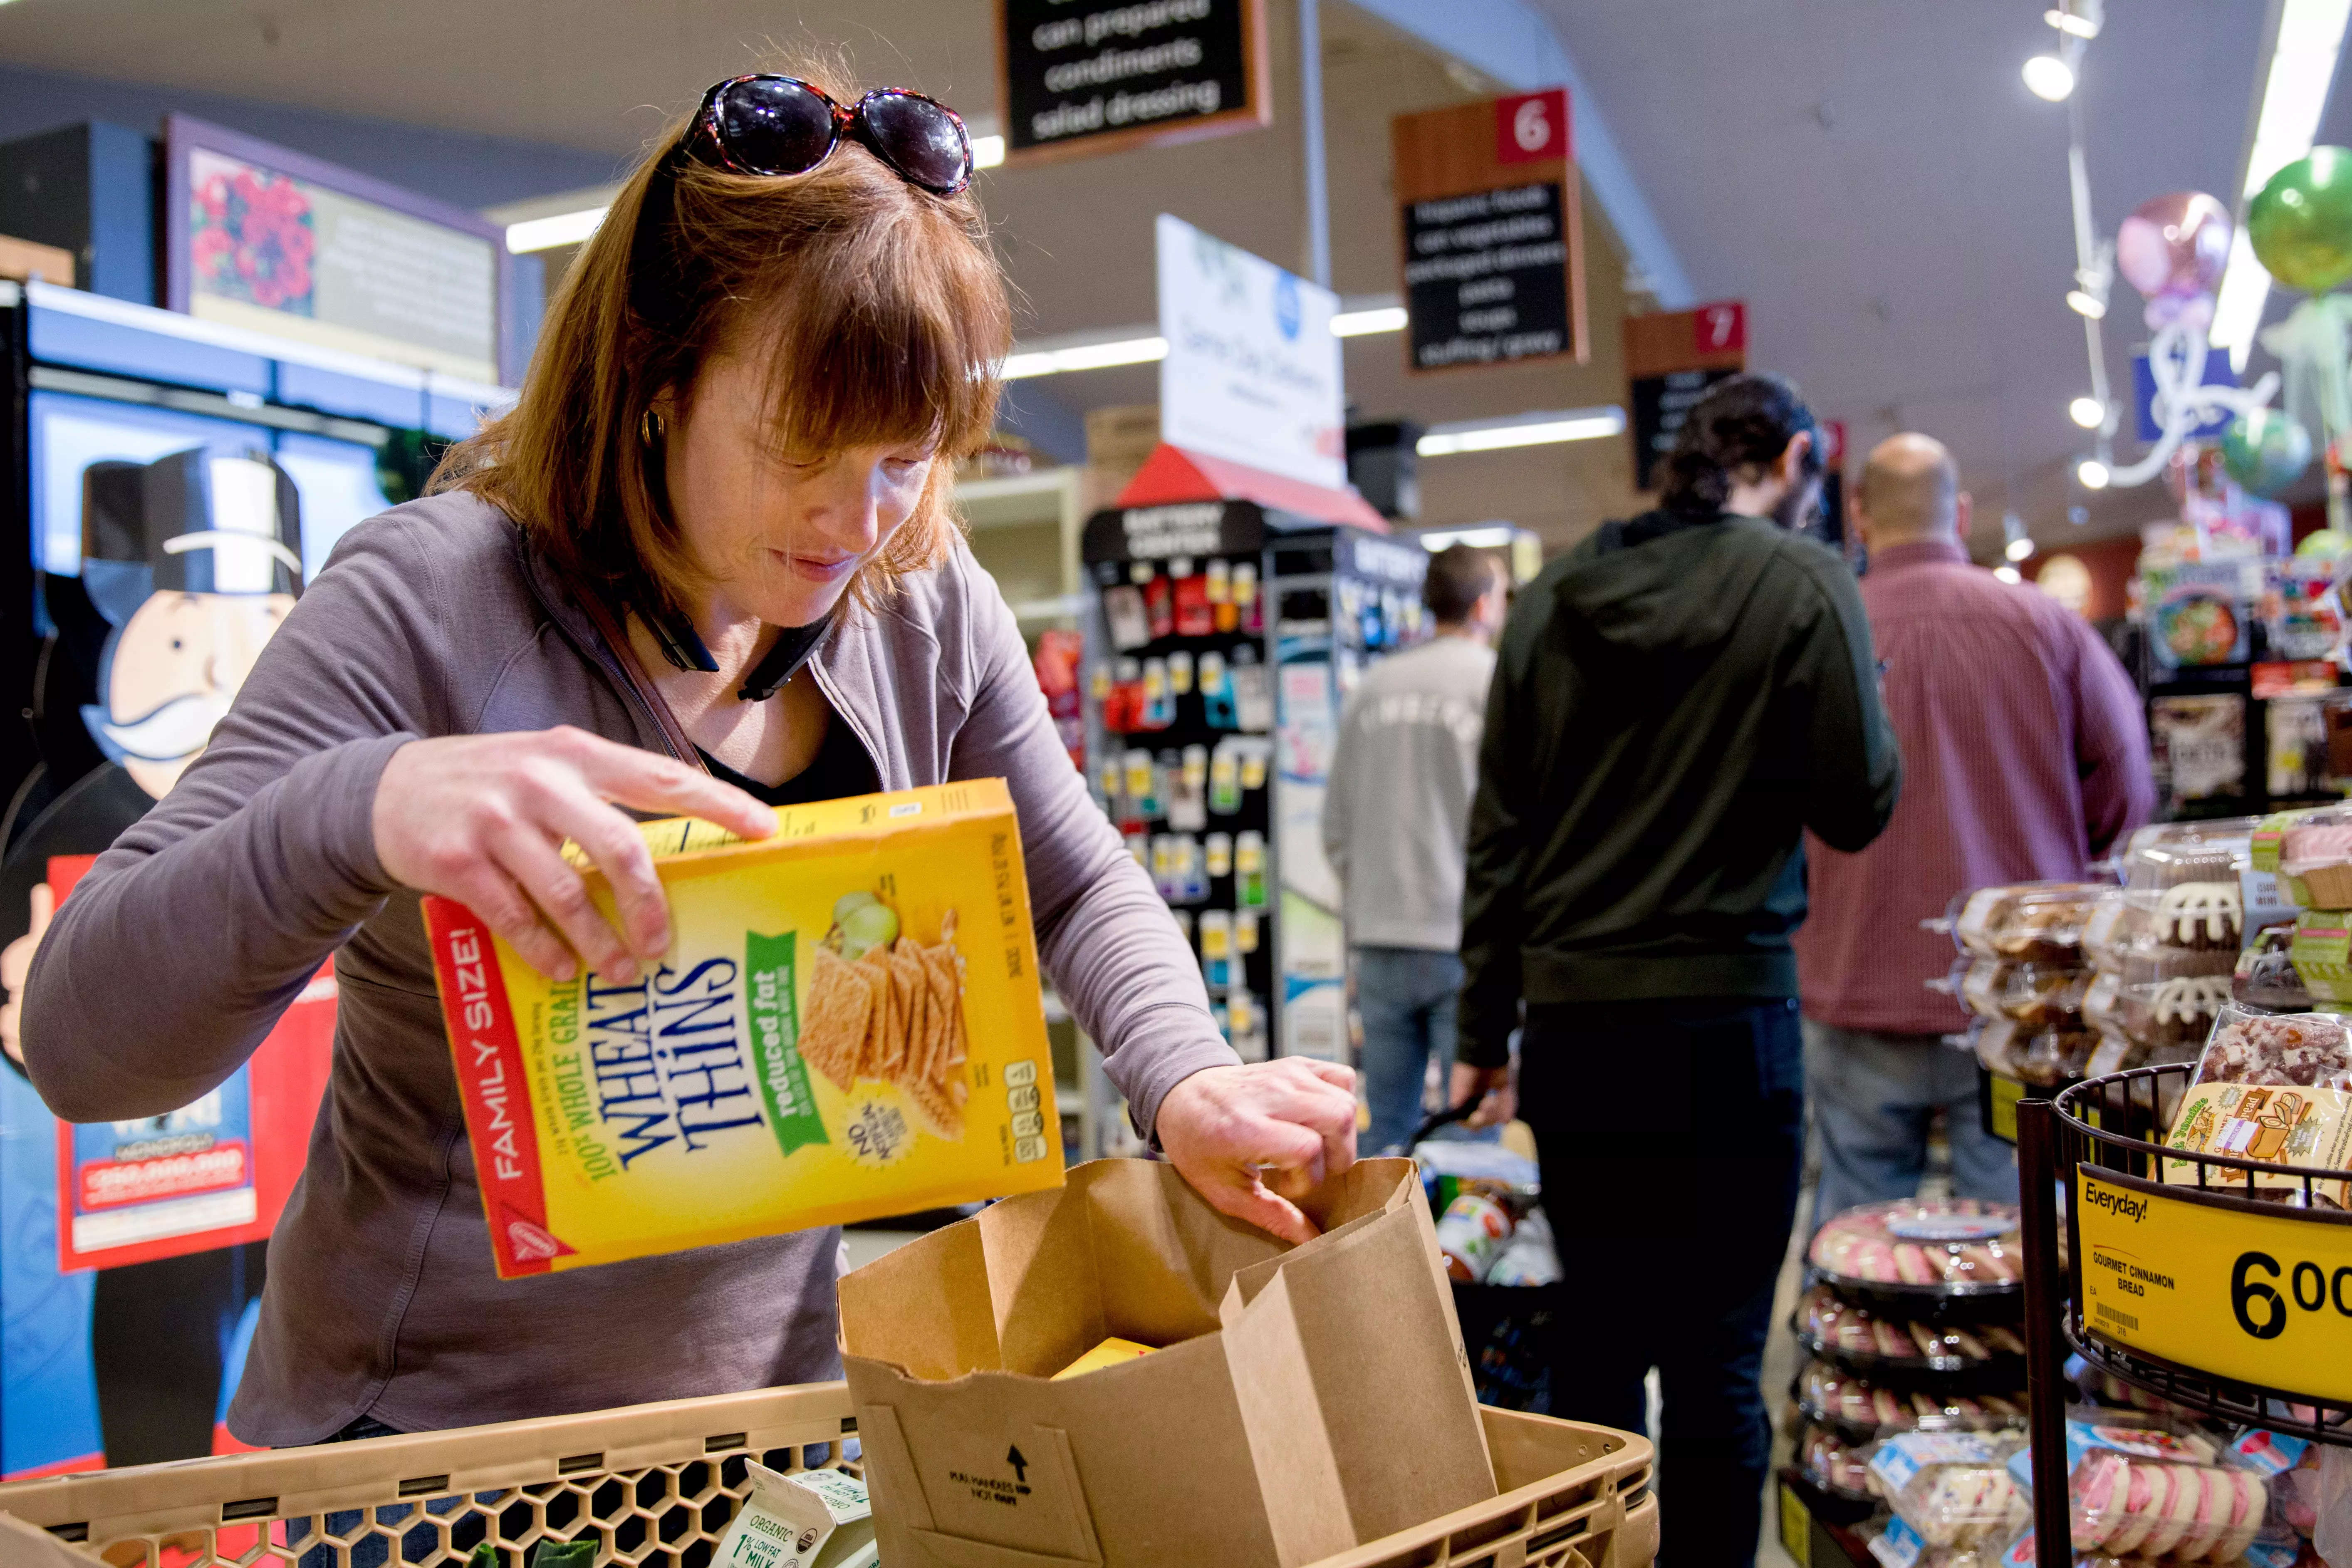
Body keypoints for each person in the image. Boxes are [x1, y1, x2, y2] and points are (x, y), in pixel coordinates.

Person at [19, 60, 1358, 1448]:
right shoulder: (428, 604)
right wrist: (360, 807)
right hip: (418, 1463)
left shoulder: (916, 585)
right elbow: (80, 1047)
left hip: (756, 1438)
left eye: (905, 457)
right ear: (657, 376)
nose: (856, 518)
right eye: (803, 447)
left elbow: (1067, 879)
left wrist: (1184, 1077)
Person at [1451, 373, 1899, 1568]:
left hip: (1575, 1031)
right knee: (1716, 1369)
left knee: (1593, 1354)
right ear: (1795, 462)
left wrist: (1478, 1033)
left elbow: (1500, 831)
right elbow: (1857, 806)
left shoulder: (1549, 599)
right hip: (1727, 1029)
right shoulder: (1804, 586)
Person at [1794, 433, 2153, 1224]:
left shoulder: (1818, 632)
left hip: (1854, 976)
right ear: (1958, 511)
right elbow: (2127, 785)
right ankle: (2012, 1351)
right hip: (2022, 993)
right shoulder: (2043, 625)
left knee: (1857, 1228)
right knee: (2022, 1226)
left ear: (1857, 517)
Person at [1322, 544, 1508, 1156]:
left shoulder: (1373, 688)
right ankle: (1457, 1253)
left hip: (1380, 939)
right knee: (1470, 1135)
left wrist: (1373, 893)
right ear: (1484, 603)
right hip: (1468, 943)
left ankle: (1385, 1253)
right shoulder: (1494, 683)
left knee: (1387, 1141)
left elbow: (1334, 826)